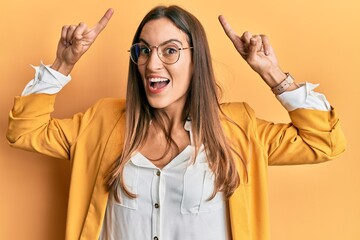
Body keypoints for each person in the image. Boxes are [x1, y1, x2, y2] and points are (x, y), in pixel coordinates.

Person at [6, 5, 346, 240]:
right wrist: (62, 63)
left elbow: (324, 142)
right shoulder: (101, 122)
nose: (153, 63)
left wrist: (271, 73)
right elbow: (25, 131)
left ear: (197, 61)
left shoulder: (239, 129)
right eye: (143, 50)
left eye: (170, 50)